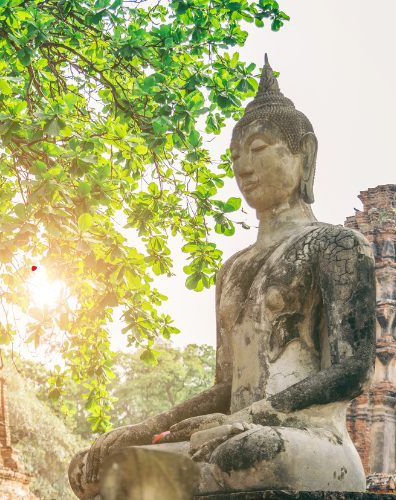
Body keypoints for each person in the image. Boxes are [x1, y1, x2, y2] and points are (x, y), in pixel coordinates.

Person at [68, 56, 376, 498]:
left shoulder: (337, 245)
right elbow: (226, 386)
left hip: (306, 434)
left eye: (259, 148)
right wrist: (150, 426)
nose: (243, 167)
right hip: (229, 433)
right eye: (234, 156)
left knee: (244, 454)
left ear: (304, 153)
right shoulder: (231, 269)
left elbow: (353, 370)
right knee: (95, 471)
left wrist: (249, 418)